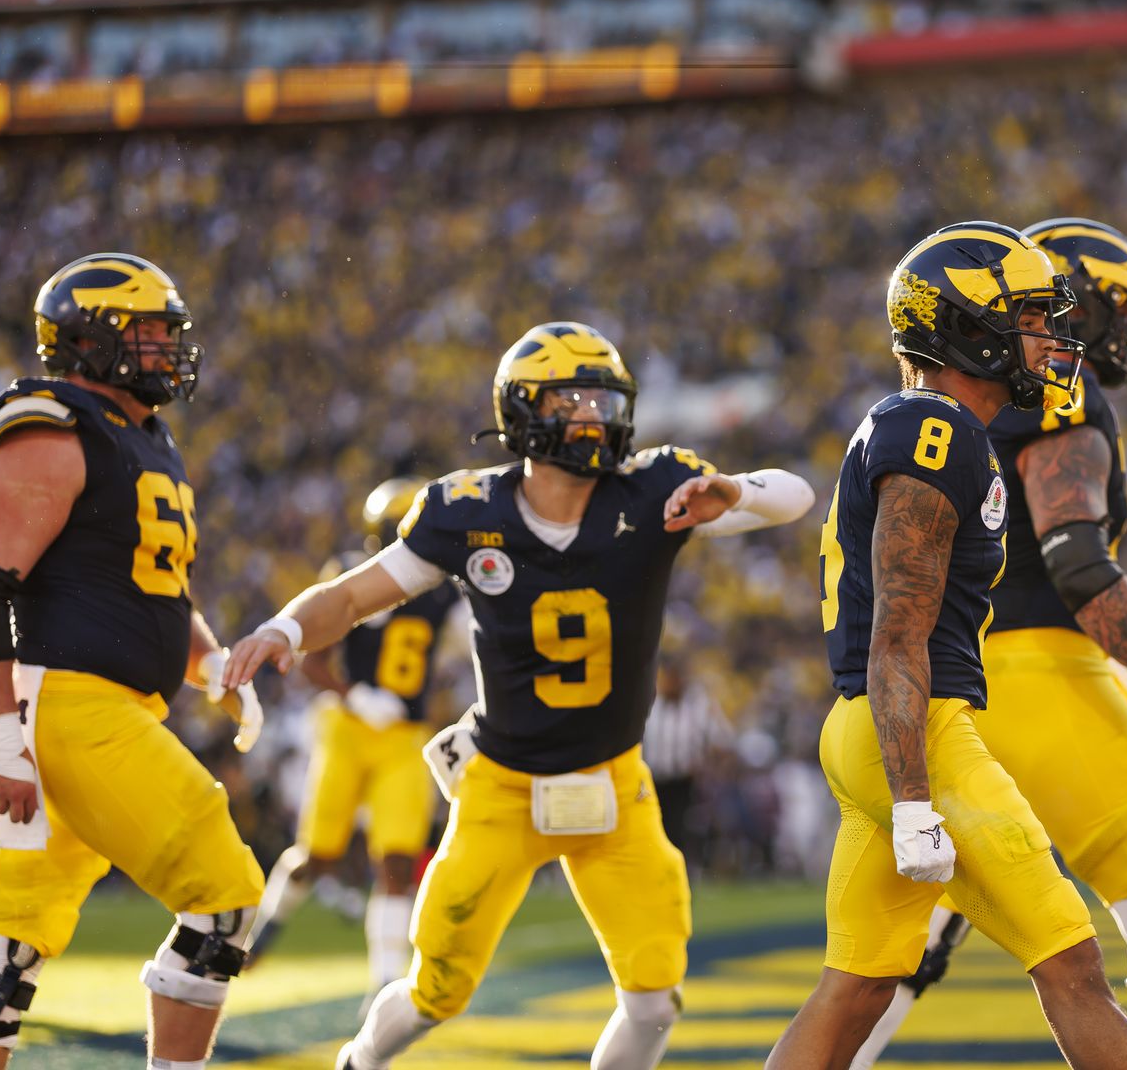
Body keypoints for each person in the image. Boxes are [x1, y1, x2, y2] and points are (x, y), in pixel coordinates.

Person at [220, 321, 813, 1070]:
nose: (596, 416)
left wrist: (739, 491)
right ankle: (359, 1063)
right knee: (435, 990)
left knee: (655, 998)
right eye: (576, 400)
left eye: (606, 399)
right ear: (525, 413)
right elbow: (350, 596)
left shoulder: (658, 488)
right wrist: (284, 628)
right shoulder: (468, 513)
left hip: (615, 788)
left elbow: (795, 495)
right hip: (501, 790)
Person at [853, 218, 1127, 1068]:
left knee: (900, 946)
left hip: (946, 691)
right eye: (1104, 306)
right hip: (1039, 679)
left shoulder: (936, 412)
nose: (1117, 328)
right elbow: (1075, 561)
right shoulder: (1059, 400)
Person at [766, 221, 1127, 1070]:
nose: (1048, 336)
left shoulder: (928, 427)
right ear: (964, 328)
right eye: (1025, 318)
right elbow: (898, 630)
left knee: (858, 988)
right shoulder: (932, 433)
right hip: (915, 733)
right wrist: (914, 798)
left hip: (877, 728)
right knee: (1073, 964)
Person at [0, 253, 266, 1069]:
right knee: (225, 904)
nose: (165, 351)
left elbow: (157, 589)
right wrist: (0, 742)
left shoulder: (143, 437)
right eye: (146, 334)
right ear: (87, 341)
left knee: (8, 956)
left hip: (97, 710)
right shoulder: (50, 423)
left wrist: (210, 669)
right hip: (73, 712)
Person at [246, 476, 468, 1000]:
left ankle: (384, 983)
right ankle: (263, 932)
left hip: (405, 735)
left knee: (396, 859)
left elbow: (472, 643)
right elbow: (313, 660)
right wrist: (354, 694)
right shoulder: (353, 574)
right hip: (348, 727)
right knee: (317, 854)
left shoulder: (442, 594)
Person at [641, 657, 733, 872]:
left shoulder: (698, 707)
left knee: (680, 830)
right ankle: (656, 872)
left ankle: (679, 873)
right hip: (653, 780)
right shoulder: (650, 706)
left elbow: (723, 742)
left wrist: (708, 765)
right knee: (654, 829)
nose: (669, 683)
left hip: (685, 782)